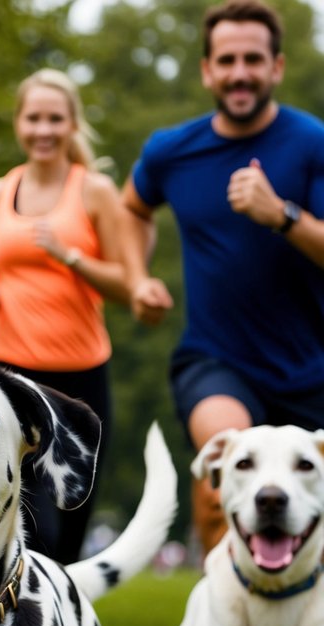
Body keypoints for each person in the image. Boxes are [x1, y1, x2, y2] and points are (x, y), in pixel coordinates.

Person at [121, 0, 324, 556]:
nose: (240, 73)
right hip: (218, 358)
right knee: (221, 469)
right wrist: (138, 277)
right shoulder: (171, 151)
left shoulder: (311, 144)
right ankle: (223, 610)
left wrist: (281, 214)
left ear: (276, 67)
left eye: (253, 59)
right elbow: (131, 210)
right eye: (227, 60)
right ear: (208, 69)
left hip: (313, 364)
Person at [0, 68, 130, 565]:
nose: (43, 129)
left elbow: (125, 282)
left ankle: (62, 624)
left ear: (72, 124)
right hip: (7, 371)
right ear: (18, 123)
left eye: (55, 119)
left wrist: (70, 256)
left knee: (72, 517)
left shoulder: (95, 192)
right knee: (22, 511)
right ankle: (10, 620)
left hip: (80, 373)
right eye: (34, 118)